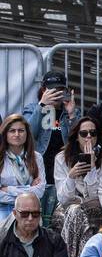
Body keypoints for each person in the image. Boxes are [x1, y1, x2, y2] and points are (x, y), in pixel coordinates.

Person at [50, 115, 102, 257]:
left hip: (93, 207)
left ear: (98, 137)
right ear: (76, 137)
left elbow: (96, 196)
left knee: (80, 213)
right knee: (75, 211)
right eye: (83, 133)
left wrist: (92, 170)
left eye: (93, 133)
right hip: (66, 209)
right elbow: (63, 198)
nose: (88, 137)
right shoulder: (61, 158)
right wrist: (71, 176)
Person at [22, 70, 79, 212]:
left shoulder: (70, 112)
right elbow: (27, 134)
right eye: (52, 89)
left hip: (63, 167)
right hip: (39, 167)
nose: (56, 93)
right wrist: (42, 106)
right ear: (43, 90)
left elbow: (79, 140)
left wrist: (71, 114)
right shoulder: (33, 108)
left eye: (59, 89)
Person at [0, 113, 47, 224]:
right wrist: (29, 188)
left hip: (30, 211)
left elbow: (40, 191)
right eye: (12, 131)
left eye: (21, 130)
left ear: (27, 134)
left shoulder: (37, 157)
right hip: (3, 208)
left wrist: (8, 189)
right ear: (5, 134)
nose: (17, 134)